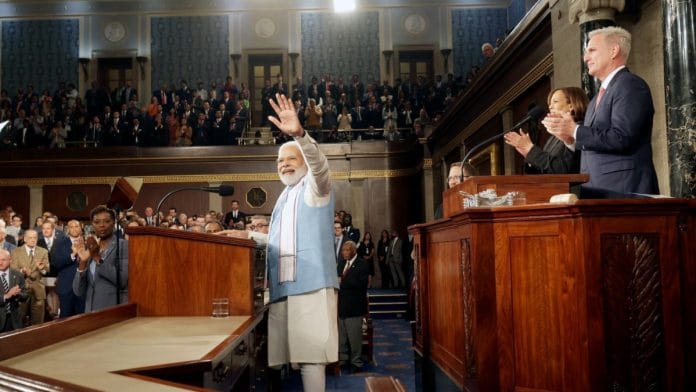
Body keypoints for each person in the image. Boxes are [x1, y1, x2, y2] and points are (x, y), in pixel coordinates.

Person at [265, 93, 338, 391]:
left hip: (311, 286)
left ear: (303, 163)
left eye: (290, 159)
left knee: (311, 359)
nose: (283, 165)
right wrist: (243, 235)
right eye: (280, 161)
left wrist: (300, 135)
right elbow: (280, 240)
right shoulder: (284, 196)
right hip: (284, 289)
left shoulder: (314, 188)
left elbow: (320, 167)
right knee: (285, 360)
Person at [543, 26, 659, 197]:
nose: (585, 57)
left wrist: (574, 130)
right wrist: (570, 139)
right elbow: (595, 143)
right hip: (597, 190)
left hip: (625, 190)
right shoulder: (597, 97)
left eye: (592, 50)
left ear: (613, 51)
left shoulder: (630, 85)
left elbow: (622, 137)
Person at [504, 87, 588, 174]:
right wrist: (528, 155)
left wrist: (530, 149)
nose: (550, 107)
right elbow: (545, 172)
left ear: (571, 105)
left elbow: (562, 170)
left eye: (555, 102)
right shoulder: (552, 138)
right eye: (549, 104)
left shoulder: (580, 130)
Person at [73, 205, 128, 312]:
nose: (102, 225)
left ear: (113, 223)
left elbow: (123, 280)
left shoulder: (123, 245)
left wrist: (98, 258)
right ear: (92, 225)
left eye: (106, 221)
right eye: (97, 222)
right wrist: (83, 263)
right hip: (90, 312)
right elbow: (78, 291)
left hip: (113, 311)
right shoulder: (89, 247)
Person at [336, 241, 369, 373]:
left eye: (347, 250)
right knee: (342, 336)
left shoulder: (362, 264)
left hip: (354, 307)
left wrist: (342, 281)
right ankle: (343, 359)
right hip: (342, 305)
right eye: (343, 250)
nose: (344, 253)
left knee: (354, 337)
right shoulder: (342, 263)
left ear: (353, 251)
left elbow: (360, 284)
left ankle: (356, 362)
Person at [11, 229, 49, 325]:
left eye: (35, 238)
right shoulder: (16, 251)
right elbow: (13, 270)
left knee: (38, 321)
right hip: (22, 290)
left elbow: (47, 270)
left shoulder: (43, 251)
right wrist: (22, 272)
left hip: (38, 290)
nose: (33, 240)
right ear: (25, 239)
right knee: (20, 319)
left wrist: (41, 268)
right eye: (30, 238)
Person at [1, 249, 28, 332]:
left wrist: (18, 293)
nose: (0, 262)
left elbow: (25, 295)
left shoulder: (18, 275)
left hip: (14, 319)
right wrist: (6, 296)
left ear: (10, 260)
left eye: (3, 260)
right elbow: (7, 295)